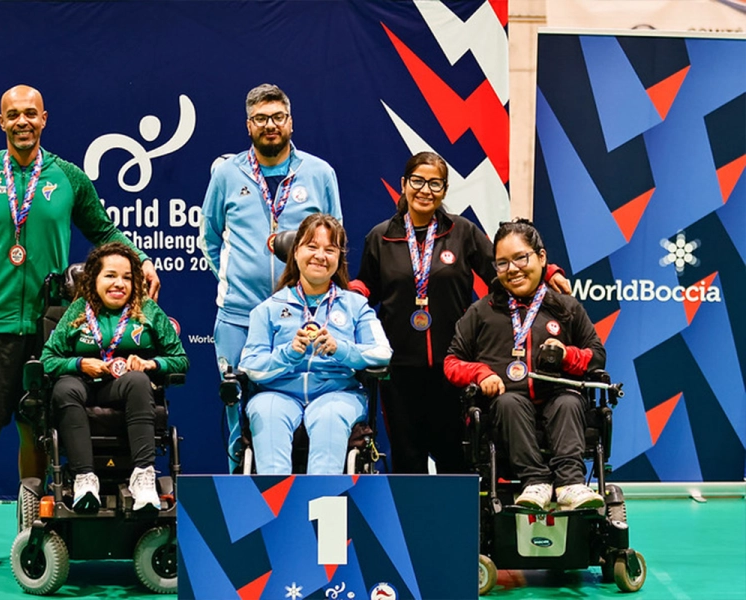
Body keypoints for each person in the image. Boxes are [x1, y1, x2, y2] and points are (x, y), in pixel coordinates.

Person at [0, 84, 160, 568]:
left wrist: (140, 259)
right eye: (13, 114)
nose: (22, 121)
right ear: (1, 122)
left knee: (36, 431)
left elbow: (103, 230)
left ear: (44, 119)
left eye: (31, 114)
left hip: (50, 328)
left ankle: (32, 526)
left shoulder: (67, 177)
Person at [352, 152, 569, 474]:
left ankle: (457, 508)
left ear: (444, 190)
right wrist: (346, 293)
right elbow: (367, 287)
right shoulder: (381, 236)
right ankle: (410, 509)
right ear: (404, 184)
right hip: (399, 366)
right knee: (407, 453)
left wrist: (548, 271)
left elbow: (503, 267)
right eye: (418, 181)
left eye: (435, 184)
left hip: (453, 364)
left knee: (455, 451)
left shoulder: (462, 231)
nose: (425, 190)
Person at [199, 83, 343, 471]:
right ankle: (240, 491)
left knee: (301, 405)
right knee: (237, 410)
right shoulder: (227, 174)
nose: (270, 125)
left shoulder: (318, 173)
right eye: (261, 118)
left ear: (290, 122)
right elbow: (210, 237)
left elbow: (334, 239)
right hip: (239, 317)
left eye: (278, 117)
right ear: (248, 125)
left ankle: (302, 492)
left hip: (303, 316)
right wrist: (232, 280)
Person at [444, 219, 605, 511]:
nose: (513, 269)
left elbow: (596, 355)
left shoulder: (566, 307)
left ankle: (570, 483)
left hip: (558, 399)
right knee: (509, 403)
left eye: (521, 258)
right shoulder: (481, 312)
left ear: (541, 257)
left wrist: (567, 355)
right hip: (506, 408)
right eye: (502, 263)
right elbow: (452, 361)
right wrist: (480, 373)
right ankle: (536, 482)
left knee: (568, 402)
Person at [40, 243, 188, 512]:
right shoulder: (78, 311)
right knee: (64, 388)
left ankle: (143, 478)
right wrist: (80, 363)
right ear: (94, 279)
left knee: (139, 381)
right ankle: (85, 480)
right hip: (83, 385)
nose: (119, 283)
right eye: (110, 275)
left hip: (124, 388)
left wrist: (151, 364)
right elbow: (48, 360)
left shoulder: (147, 311)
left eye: (127, 278)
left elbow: (180, 359)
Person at [239, 214, 391, 474]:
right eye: (312, 247)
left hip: (337, 394)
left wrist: (340, 349)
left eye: (330, 250)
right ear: (296, 252)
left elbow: (382, 353)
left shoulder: (355, 306)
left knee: (329, 416)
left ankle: (322, 499)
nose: (320, 256)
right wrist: (288, 354)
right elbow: (251, 366)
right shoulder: (268, 309)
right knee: (268, 412)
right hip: (278, 394)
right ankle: (275, 499)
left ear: (339, 258)